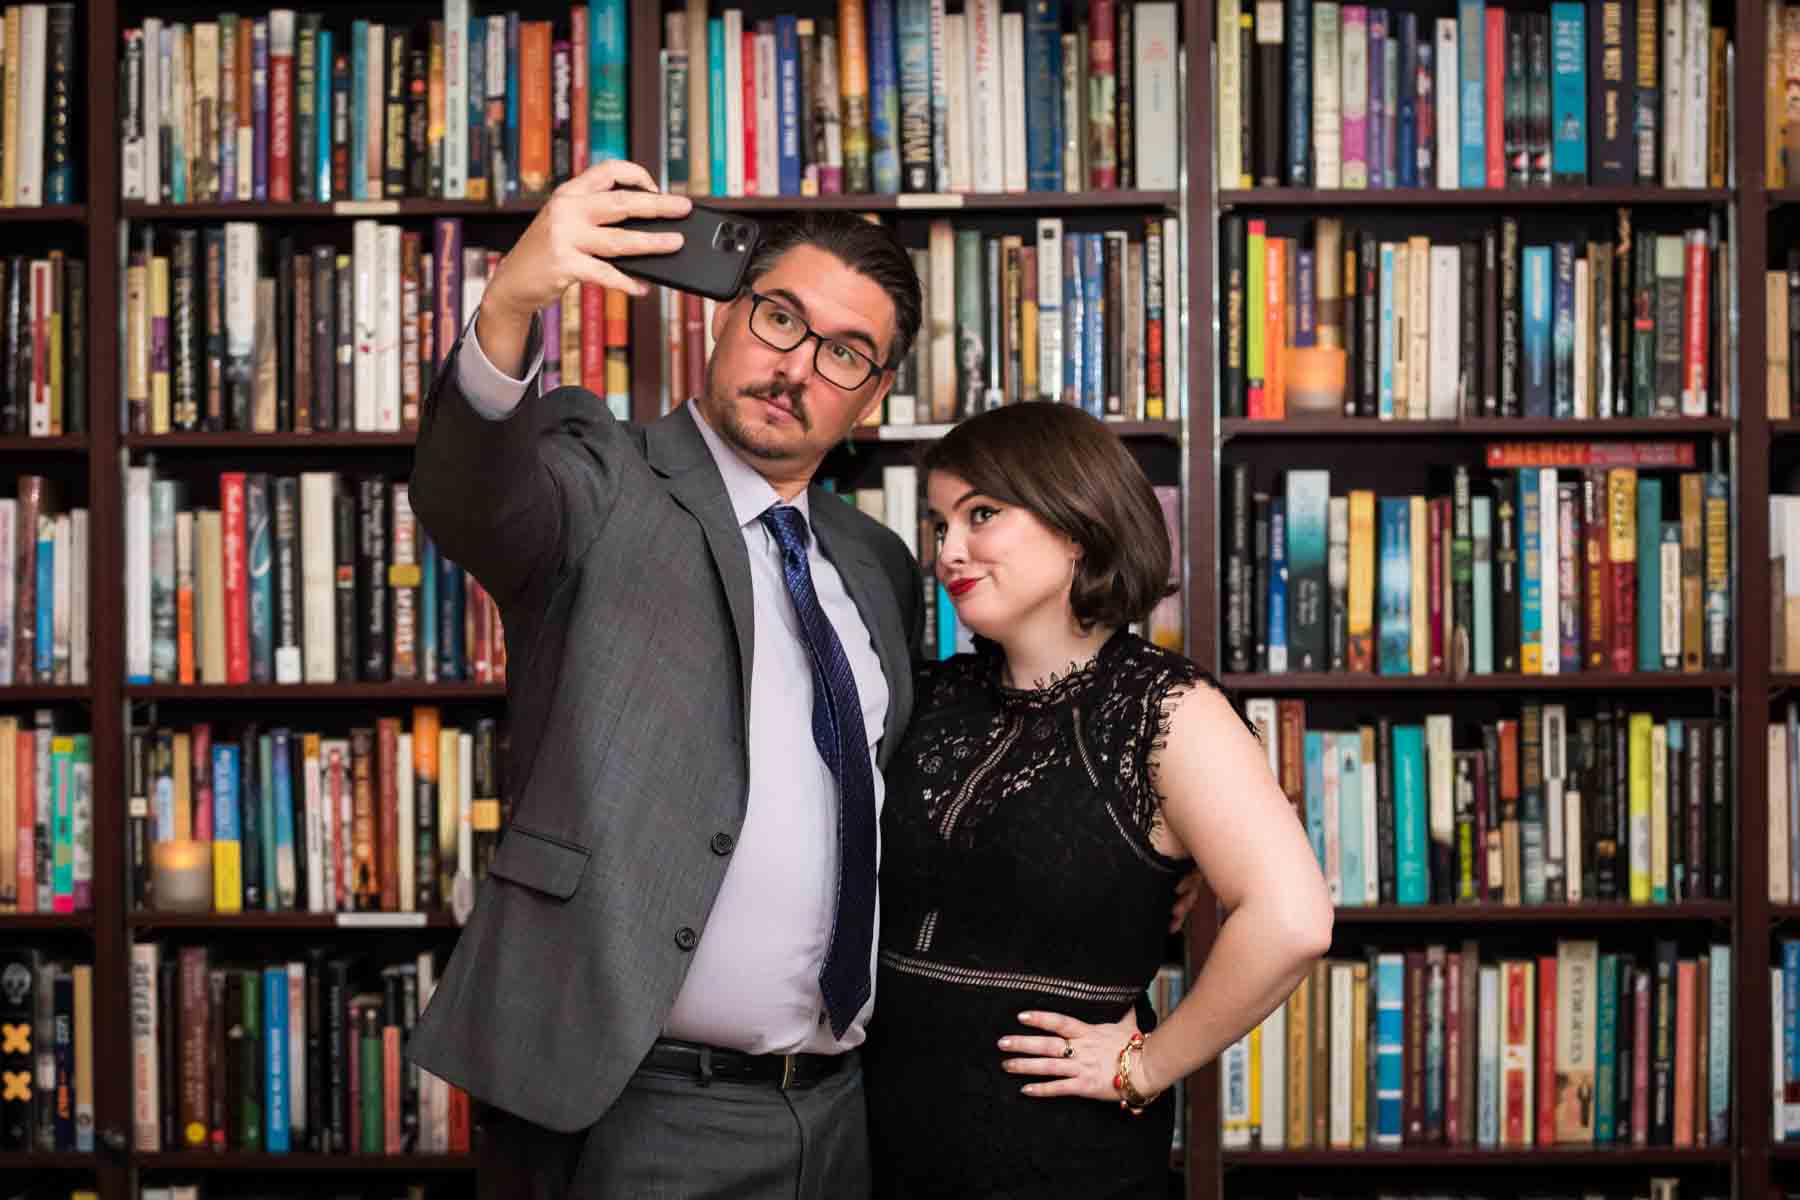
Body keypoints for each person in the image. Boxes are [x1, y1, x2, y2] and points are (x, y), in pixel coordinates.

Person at [404, 159, 926, 1198]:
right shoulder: (599, 474)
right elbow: (471, 497)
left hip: (838, 1112)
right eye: (780, 318)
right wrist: (512, 299)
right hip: (634, 1107)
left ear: (871, 397)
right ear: (723, 321)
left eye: (846, 353)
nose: (798, 366)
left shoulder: (878, 564)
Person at [863, 402, 1334, 1198]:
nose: (948, 551)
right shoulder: (934, 692)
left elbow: (1292, 920)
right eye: (939, 523)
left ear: (1076, 523)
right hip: (879, 1137)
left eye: (981, 515)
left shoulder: (1166, 707)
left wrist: (1146, 1065)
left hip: (1057, 1153)